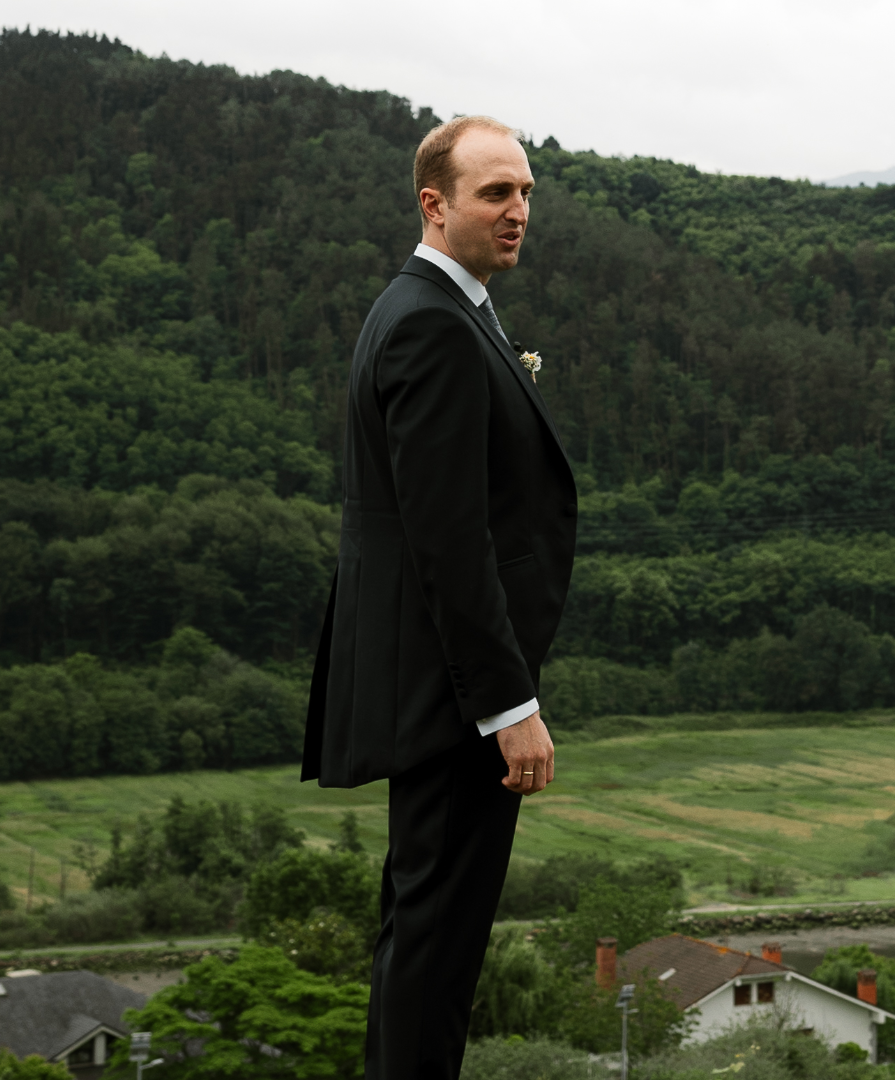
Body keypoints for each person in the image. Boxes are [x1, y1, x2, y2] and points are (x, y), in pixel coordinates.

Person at [301, 115, 578, 1079]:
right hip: (453, 698)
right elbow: (447, 539)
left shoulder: (429, 307)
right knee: (438, 946)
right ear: (436, 203)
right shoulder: (428, 321)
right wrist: (509, 707)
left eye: (527, 193)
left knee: (422, 933)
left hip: (434, 687)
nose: (518, 213)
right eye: (496, 194)